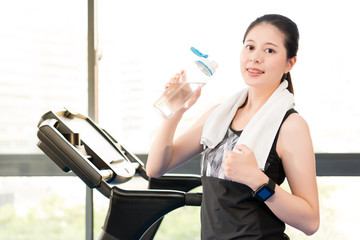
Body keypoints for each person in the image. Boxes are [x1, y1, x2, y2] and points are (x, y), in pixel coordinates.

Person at [146, 14, 320, 239]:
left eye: (269, 50)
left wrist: (257, 180)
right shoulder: (219, 115)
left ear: (290, 62)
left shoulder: (291, 126)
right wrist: (176, 109)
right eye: (250, 47)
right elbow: (156, 168)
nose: (255, 58)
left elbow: (311, 221)